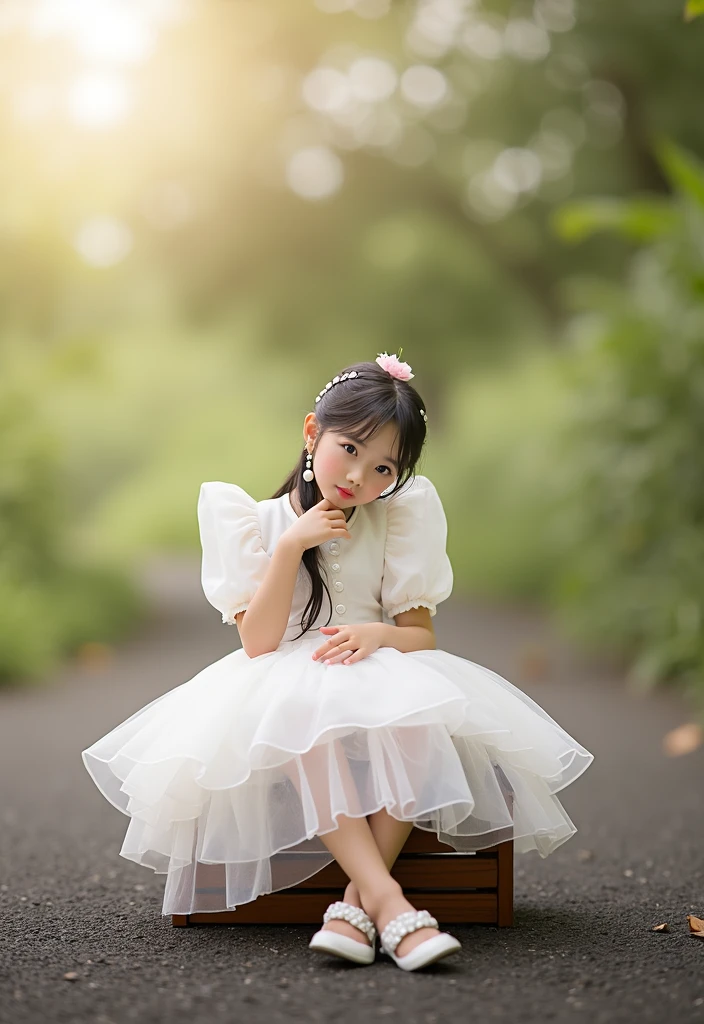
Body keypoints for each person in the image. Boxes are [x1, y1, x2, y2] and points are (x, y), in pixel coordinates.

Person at [81, 351, 594, 972]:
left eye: (383, 467)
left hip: (373, 663)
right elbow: (258, 644)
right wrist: (291, 545)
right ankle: (391, 904)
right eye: (348, 449)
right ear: (310, 434)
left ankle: (356, 905)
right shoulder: (253, 521)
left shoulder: (395, 518)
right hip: (286, 674)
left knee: (416, 717)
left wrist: (377, 635)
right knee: (305, 720)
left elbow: (420, 638)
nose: (359, 477)